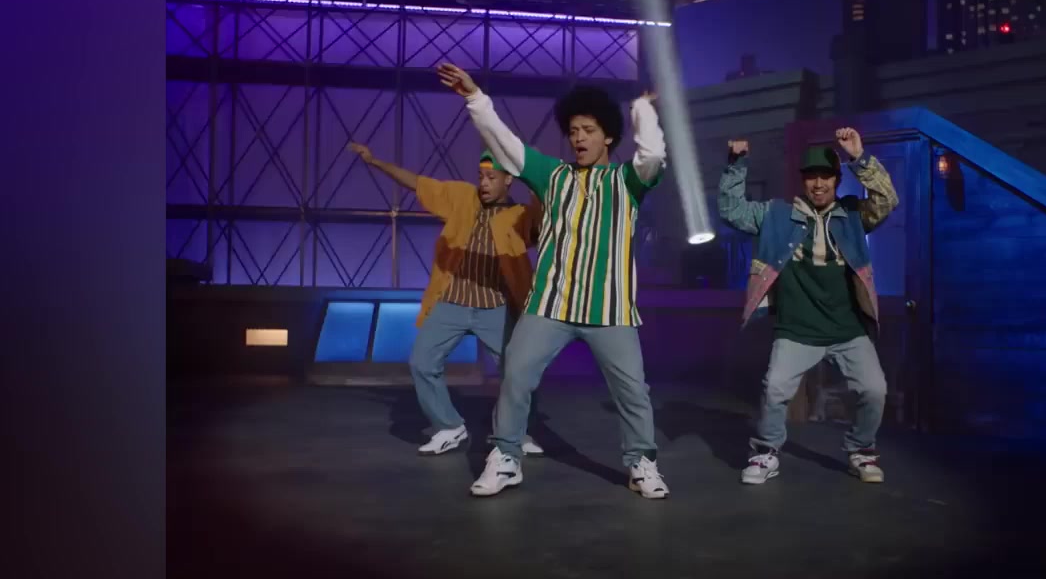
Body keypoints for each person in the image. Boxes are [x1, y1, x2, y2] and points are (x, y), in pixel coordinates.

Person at [435, 62, 671, 499]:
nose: (579, 137)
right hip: (550, 305)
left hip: (610, 309)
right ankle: (506, 456)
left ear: (608, 137)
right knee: (515, 373)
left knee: (633, 392)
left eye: (589, 130)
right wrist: (475, 98)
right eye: (574, 130)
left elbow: (653, 155)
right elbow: (504, 143)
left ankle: (642, 463)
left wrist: (641, 108)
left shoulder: (628, 181)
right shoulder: (553, 175)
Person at [717, 129, 899, 484]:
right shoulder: (777, 214)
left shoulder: (852, 214)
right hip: (797, 330)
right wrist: (737, 164)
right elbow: (731, 210)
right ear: (802, 181)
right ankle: (766, 452)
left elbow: (887, 199)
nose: (818, 184)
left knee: (874, 389)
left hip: (847, 329)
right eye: (811, 177)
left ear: (836, 179)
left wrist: (859, 157)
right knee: (774, 388)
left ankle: (861, 450)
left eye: (825, 176)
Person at [348, 143, 544, 457]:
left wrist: (534, 177)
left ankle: (513, 432)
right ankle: (449, 426)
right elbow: (416, 182)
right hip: (452, 301)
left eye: (492, 178)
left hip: (495, 307)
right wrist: (375, 162)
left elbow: (546, 213)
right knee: (422, 362)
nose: (484, 183)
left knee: (517, 371)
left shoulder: (520, 215)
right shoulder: (462, 197)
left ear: (509, 180)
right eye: (481, 176)